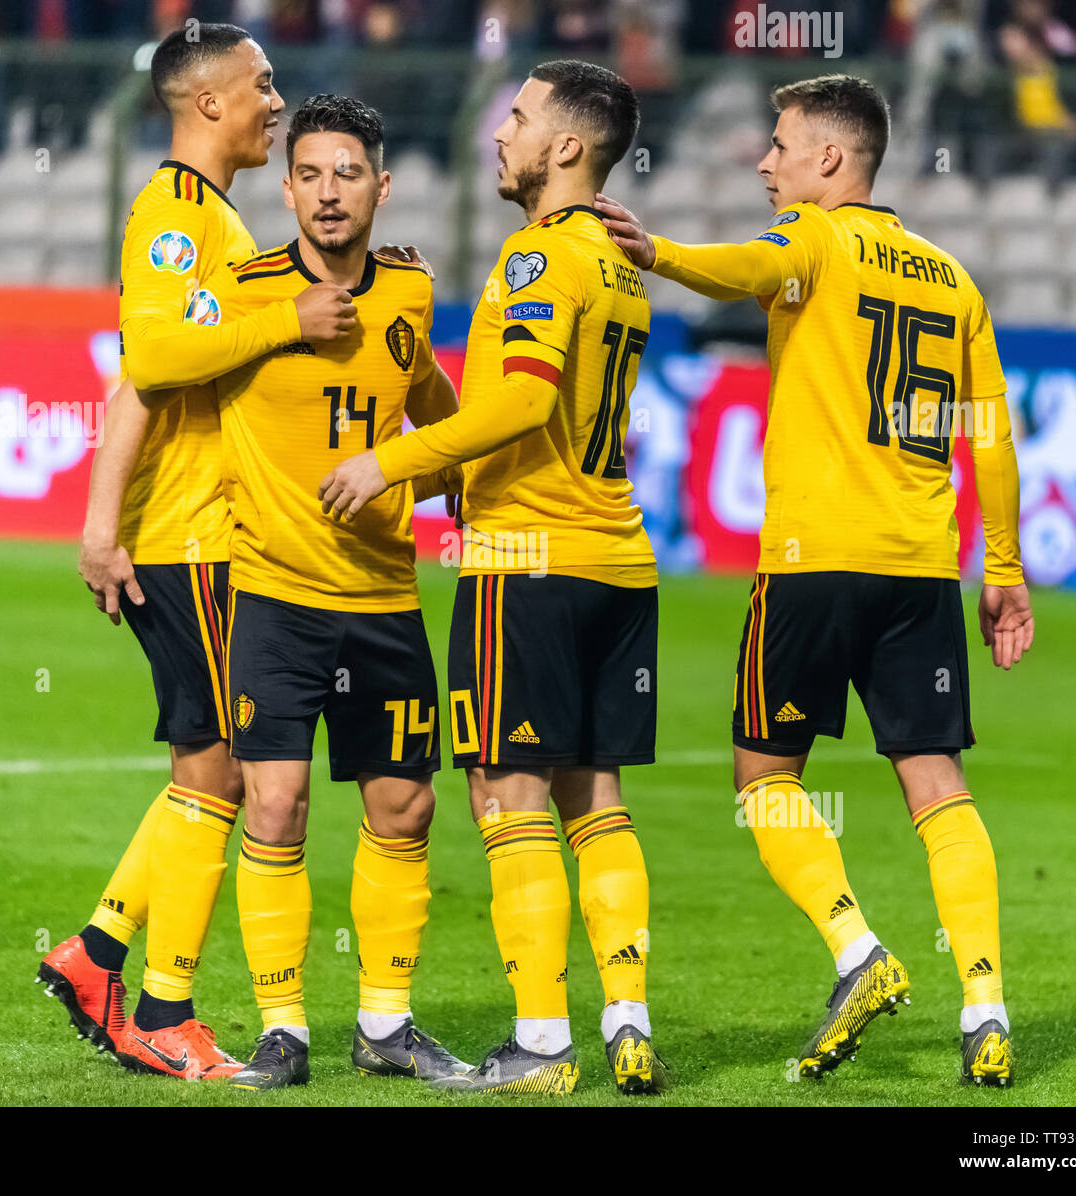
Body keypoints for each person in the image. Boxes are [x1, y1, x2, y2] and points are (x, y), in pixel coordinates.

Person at [596, 73, 1033, 1087]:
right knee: (938, 786)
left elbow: (747, 265)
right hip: (919, 566)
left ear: (830, 160)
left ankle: (856, 948)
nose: (764, 162)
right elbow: (991, 431)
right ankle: (985, 1007)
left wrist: (656, 250)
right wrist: (1000, 565)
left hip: (809, 563)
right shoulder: (952, 279)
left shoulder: (815, 239)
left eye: (780, 144)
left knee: (764, 780)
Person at [320, 60, 670, 1096]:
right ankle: (626, 1012)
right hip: (618, 558)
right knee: (593, 796)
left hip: (527, 562)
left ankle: (541, 1043)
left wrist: (392, 461)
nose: (498, 133)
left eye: (516, 117)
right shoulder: (620, 266)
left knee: (502, 791)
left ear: (567, 146)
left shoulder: (537, 258)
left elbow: (519, 400)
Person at [38, 21, 353, 1082]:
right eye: (262, 86)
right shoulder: (175, 213)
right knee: (218, 768)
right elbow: (156, 355)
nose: (276, 100)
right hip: (193, 535)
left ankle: (97, 954)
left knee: (210, 761)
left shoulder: (214, 215)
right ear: (209, 101)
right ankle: (162, 1007)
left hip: (207, 530)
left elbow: (141, 377)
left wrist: (97, 520)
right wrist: (285, 321)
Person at [189, 94, 470, 1090]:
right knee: (275, 799)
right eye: (308, 171)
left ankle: (386, 1026)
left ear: (381, 186)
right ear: (287, 184)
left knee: (404, 804)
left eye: (347, 172)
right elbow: (161, 365)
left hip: (384, 595)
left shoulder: (409, 289)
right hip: (271, 590)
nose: (327, 191)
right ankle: (282, 1032)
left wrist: (448, 467)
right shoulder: (243, 285)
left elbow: (427, 393)